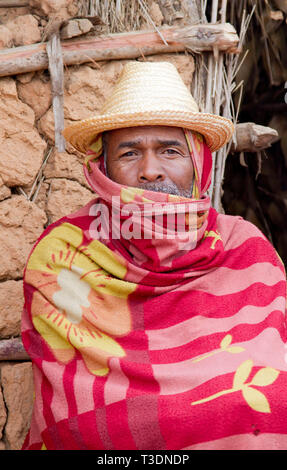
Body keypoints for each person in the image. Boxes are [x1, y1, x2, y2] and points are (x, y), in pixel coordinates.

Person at [21, 61, 287, 450]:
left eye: (170, 151)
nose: (150, 171)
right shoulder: (63, 255)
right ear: (102, 167)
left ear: (199, 164)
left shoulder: (242, 247)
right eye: (129, 153)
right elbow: (78, 421)